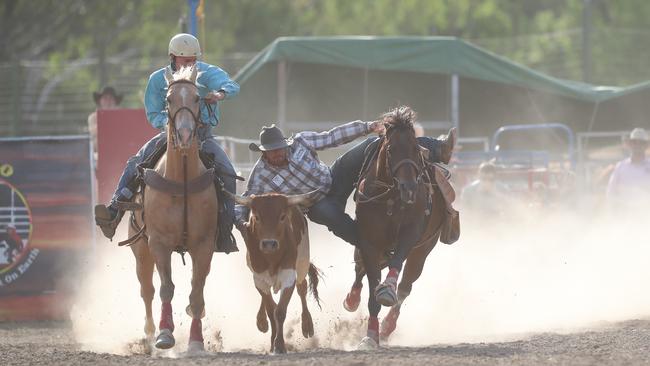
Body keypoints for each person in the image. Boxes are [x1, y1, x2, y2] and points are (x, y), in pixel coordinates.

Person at [94, 33, 240, 253]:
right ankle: (114, 212)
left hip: (202, 135)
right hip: (170, 134)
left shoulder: (207, 72)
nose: (190, 63)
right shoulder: (157, 79)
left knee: (228, 172)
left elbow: (231, 85)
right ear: (173, 57)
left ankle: (225, 228)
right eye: (185, 60)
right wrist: (174, 124)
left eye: (193, 59)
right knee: (136, 162)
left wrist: (220, 93)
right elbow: (153, 113)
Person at [236, 108, 456, 247]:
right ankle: (370, 247)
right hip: (316, 203)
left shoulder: (301, 142)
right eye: (272, 151)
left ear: (285, 144)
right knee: (331, 217)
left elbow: (333, 137)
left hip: (334, 176)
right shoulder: (261, 173)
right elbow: (246, 200)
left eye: (279, 148)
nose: (277, 153)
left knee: (374, 143)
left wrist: (367, 127)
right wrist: (241, 223)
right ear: (264, 153)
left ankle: (437, 149)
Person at [606, 128, 650, 208]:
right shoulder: (620, 166)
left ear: (646, 146)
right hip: (625, 212)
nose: (638, 146)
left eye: (641, 143)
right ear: (630, 145)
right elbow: (611, 191)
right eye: (634, 143)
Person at [87, 86, 123, 160]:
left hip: (120, 153)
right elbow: (94, 131)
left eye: (111, 98)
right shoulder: (93, 117)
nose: (108, 101)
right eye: (105, 98)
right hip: (99, 155)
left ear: (115, 102)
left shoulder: (122, 116)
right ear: (100, 101)